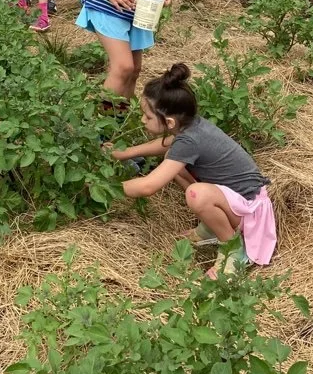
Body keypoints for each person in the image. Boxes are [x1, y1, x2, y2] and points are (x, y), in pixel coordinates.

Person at [110, 63, 276, 279]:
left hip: (250, 210)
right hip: (236, 199)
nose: (143, 120)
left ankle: (232, 249)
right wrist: (125, 152)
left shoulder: (190, 140)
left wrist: (102, 187)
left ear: (169, 122)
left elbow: (148, 186)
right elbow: (168, 145)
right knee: (174, 165)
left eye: (148, 117)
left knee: (195, 195)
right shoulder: (191, 126)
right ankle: (210, 227)